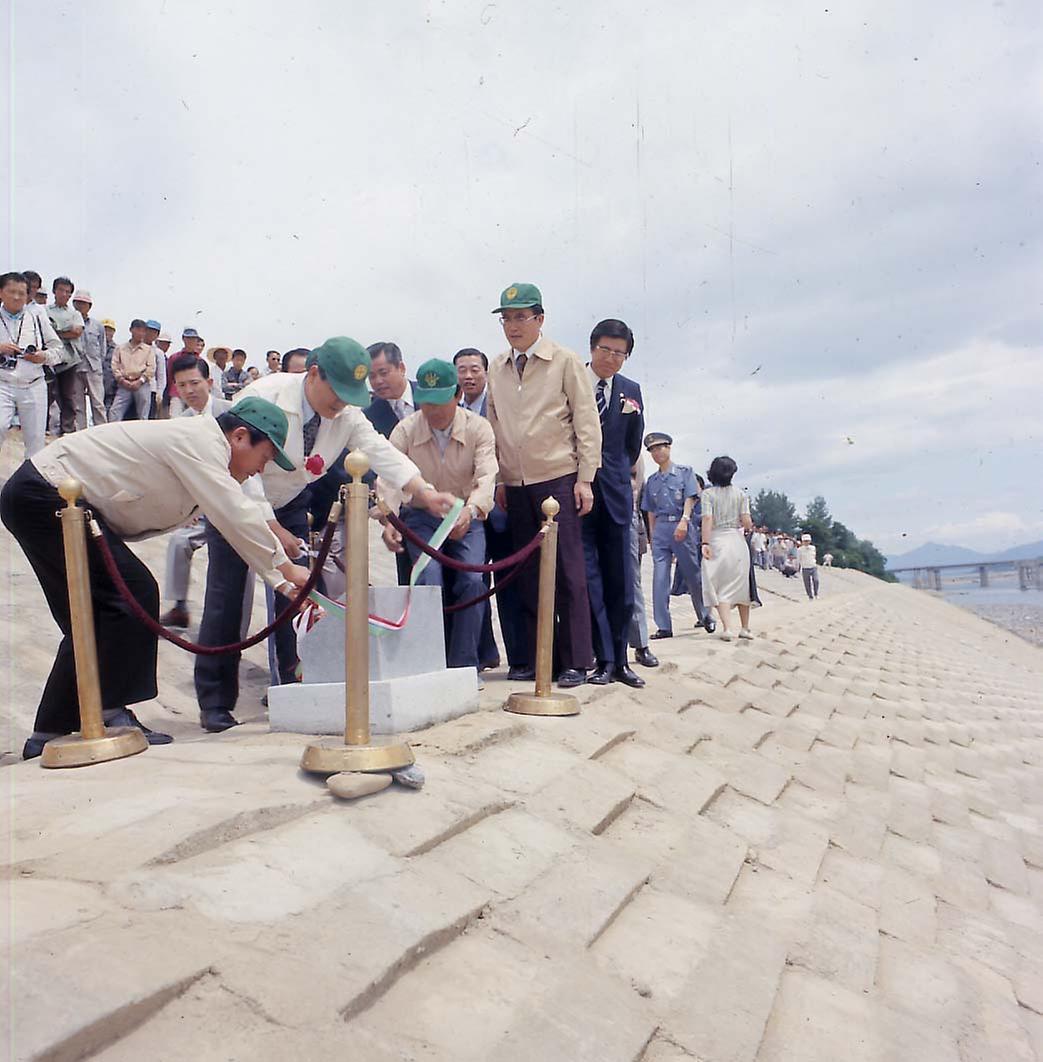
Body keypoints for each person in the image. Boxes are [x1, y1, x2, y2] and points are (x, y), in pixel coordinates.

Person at [0, 396, 311, 760]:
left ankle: (49, 730)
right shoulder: (202, 442)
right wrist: (286, 573)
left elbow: (238, 515)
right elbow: (236, 516)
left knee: (93, 613)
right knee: (132, 592)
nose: (261, 469)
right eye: (266, 457)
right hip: (47, 494)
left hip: (45, 497)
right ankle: (109, 711)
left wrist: (283, 582)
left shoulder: (207, 452)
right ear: (240, 437)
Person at [193, 336, 456, 734]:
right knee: (227, 597)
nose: (342, 406)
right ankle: (215, 701)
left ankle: (294, 682)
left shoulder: (347, 412)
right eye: (337, 395)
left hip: (292, 503)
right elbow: (239, 469)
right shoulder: (264, 395)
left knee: (299, 596)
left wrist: (424, 491)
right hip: (236, 495)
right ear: (313, 374)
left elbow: (380, 451)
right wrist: (271, 527)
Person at [487, 283, 601, 688]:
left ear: (539, 319)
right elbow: (494, 424)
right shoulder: (496, 366)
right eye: (507, 318)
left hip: (558, 477)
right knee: (528, 573)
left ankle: (576, 661)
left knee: (568, 571)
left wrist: (585, 479)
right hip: (515, 483)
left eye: (521, 317)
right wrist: (500, 477)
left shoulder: (565, 360)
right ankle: (541, 658)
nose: (513, 326)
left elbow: (586, 421)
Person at [381, 359, 497, 677]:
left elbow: (488, 476)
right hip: (421, 517)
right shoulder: (405, 429)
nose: (432, 410)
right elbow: (391, 477)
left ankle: (463, 665)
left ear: (457, 395)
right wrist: (390, 519)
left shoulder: (478, 427)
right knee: (428, 578)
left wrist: (471, 511)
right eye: (426, 402)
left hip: (467, 516)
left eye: (440, 401)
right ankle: (430, 663)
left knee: (473, 581)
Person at [453, 346, 527, 673]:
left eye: (474, 369)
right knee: (472, 583)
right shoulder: (449, 409)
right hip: (467, 514)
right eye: (462, 370)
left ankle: (521, 659)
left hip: (503, 507)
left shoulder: (499, 403)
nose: (468, 376)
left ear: (486, 372)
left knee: (508, 584)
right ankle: (483, 653)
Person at [582, 319, 645, 689]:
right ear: (592, 348)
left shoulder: (631, 390)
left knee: (621, 578)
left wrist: (617, 475)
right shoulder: (574, 382)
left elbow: (632, 446)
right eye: (605, 350)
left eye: (619, 353)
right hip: (580, 492)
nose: (611, 358)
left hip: (618, 494)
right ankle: (602, 659)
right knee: (590, 578)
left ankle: (621, 660)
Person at [158, 355, 243, 629]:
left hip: (235, 504)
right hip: (203, 507)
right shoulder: (180, 423)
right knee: (179, 541)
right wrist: (188, 509)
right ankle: (179, 607)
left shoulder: (232, 412)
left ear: (209, 382)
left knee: (240, 562)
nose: (189, 390)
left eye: (194, 383)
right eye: (182, 385)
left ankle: (235, 631)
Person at [641, 432, 715, 640]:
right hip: (662, 530)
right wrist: (653, 536)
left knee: (692, 575)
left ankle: (705, 614)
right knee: (660, 578)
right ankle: (664, 626)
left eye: (660, 448)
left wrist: (685, 519)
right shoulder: (652, 481)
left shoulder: (685, 472)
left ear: (669, 448)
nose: (656, 453)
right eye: (652, 450)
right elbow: (650, 511)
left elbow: (691, 498)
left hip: (682, 526)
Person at [0, 272, 63, 458]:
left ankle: (30, 485)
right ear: (1, 292)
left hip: (34, 384)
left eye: (22, 293)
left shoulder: (37, 316)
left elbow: (59, 351)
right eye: (11, 291)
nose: (17, 297)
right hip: (2, 384)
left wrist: (42, 356)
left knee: (35, 441)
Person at [700, 455, 757, 640]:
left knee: (721, 586)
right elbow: (746, 521)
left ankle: (727, 628)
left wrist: (705, 542)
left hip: (717, 540)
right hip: (736, 541)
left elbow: (707, 519)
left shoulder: (708, 494)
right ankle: (745, 628)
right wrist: (750, 525)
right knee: (742, 585)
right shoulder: (741, 494)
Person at [627, 460, 658, 668]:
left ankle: (641, 644)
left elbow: (639, 491)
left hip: (627, 516)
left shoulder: (631, 445)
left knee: (632, 586)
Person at [47, 276, 85, 434]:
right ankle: (44, 428)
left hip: (69, 359)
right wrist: (65, 331)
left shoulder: (75, 313)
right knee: (48, 394)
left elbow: (76, 332)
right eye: (61, 290)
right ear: (54, 291)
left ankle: (67, 429)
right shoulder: (45, 311)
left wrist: (55, 331)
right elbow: (43, 331)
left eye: (68, 292)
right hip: (49, 358)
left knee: (68, 396)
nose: (64, 294)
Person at [70, 291, 108, 428]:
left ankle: (101, 432)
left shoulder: (97, 326)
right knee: (78, 405)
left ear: (89, 306)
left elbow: (103, 348)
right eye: (78, 303)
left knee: (98, 403)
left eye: (83, 303)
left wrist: (97, 365)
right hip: (75, 367)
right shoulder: (69, 323)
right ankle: (81, 433)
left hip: (93, 368)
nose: (80, 306)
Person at [364, 341, 417, 436]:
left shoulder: (428, 394)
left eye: (383, 373)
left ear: (401, 368)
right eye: (372, 376)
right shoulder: (370, 416)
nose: (378, 381)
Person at [110, 319, 156, 421]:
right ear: (131, 330)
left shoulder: (148, 350)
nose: (141, 333)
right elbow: (115, 366)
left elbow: (151, 368)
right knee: (115, 411)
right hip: (124, 383)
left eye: (143, 331)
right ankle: (113, 434)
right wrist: (122, 380)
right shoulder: (120, 348)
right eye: (138, 330)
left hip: (142, 383)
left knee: (143, 413)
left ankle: (142, 434)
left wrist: (140, 381)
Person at [166, 327, 205, 416]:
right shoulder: (174, 358)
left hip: (195, 394)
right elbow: (169, 376)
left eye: (193, 339)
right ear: (183, 339)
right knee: (175, 418)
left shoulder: (200, 360)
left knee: (194, 420)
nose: (190, 341)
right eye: (188, 338)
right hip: (177, 392)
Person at [144, 320, 166, 419]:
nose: (150, 334)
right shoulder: (132, 347)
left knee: (149, 418)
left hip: (151, 389)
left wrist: (159, 392)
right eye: (149, 330)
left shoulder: (158, 352)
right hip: (132, 388)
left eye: (154, 332)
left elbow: (161, 374)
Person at [101, 317, 118, 412]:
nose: (107, 332)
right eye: (105, 329)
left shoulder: (118, 349)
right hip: (97, 385)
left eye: (110, 330)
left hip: (112, 386)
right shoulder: (95, 347)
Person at [799, 534, 820, 599]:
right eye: (805, 541)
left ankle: (816, 593)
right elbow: (799, 559)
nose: (806, 542)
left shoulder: (813, 548)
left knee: (816, 580)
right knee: (807, 583)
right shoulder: (800, 549)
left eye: (807, 541)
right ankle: (810, 595)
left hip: (813, 566)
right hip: (805, 567)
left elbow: (814, 556)